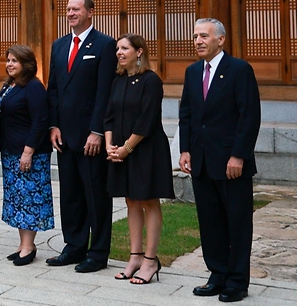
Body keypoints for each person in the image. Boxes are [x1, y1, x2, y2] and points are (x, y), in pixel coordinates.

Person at [179, 19, 260, 303]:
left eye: (204, 36)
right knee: (210, 221)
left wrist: (239, 154)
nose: (198, 40)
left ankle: (237, 281)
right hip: (201, 160)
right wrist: (185, 149)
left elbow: (249, 116)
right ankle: (217, 273)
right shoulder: (191, 73)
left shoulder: (239, 70)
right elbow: (187, 114)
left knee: (237, 223)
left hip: (231, 161)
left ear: (221, 40)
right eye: (195, 36)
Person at [46, 0, 117, 273]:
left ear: (90, 12)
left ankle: (97, 253)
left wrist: (97, 131)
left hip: (91, 138)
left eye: (76, 9)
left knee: (96, 197)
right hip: (64, 137)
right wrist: (53, 125)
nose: (71, 13)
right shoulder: (59, 45)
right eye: (68, 9)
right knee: (71, 195)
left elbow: (104, 92)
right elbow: (53, 89)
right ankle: (74, 247)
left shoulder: (104, 45)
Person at [103, 33, 174, 284]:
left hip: (146, 149)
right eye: (117, 49)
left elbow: (147, 120)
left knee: (148, 200)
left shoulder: (150, 81)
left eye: (125, 48)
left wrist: (127, 148)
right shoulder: (118, 81)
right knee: (131, 200)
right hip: (121, 149)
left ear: (139, 52)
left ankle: (151, 260)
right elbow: (108, 115)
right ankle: (135, 256)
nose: (119, 53)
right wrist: (110, 145)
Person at [0, 44, 54, 266]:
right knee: (17, 200)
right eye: (8, 60)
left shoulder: (34, 87)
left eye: (14, 61)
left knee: (29, 200)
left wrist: (28, 151)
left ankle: (29, 246)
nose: (10, 64)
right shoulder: (10, 85)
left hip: (29, 154)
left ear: (26, 64)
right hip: (11, 151)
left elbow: (40, 121)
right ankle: (23, 244)